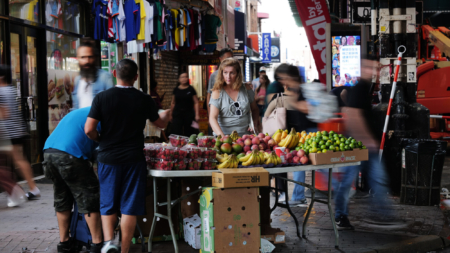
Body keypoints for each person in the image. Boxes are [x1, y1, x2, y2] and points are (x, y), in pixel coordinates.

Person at [85, 59, 171, 253]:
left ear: (115, 74)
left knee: (108, 202)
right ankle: (124, 250)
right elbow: (160, 124)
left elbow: (89, 129)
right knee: (129, 206)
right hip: (134, 158)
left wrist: (101, 140)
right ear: (136, 77)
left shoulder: (102, 97)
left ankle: (108, 245)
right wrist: (167, 115)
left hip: (108, 158)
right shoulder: (144, 99)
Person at [334, 60, 406, 230]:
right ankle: (341, 216)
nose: (373, 70)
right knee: (349, 182)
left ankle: (382, 216)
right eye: (369, 67)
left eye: (375, 67)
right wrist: (366, 140)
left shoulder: (364, 87)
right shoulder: (360, 88)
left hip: (364, 145)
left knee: (377, 180)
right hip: (361, 145)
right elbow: (353, 115)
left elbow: (348, 105)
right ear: (362, 68)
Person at [43, 107, 103, 253]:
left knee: (62, 198)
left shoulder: (83, 111)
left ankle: (64, 243)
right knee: (89, 196)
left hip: (49, 152)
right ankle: (97, 244)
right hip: (70, 154)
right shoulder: (106, 115)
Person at [273, 64, 317, 206]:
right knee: (301, 163)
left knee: (318, 165)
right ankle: (298, 196)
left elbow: (308, 108)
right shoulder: (292, 89)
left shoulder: (302, 88)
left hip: (310, 133)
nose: (281, 81)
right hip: (300, 133)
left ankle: (299, 196)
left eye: (281, 77)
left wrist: (294, 102)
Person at [0, 65, 40, 200]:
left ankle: (26, 189)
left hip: (8, 132)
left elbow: (4, 113)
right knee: (16, 161)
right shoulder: (10, 89)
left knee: (18, 161)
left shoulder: (1, 91)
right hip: (17, 129)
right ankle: (20, 189)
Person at [209, 58, 261, 137]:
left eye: (232, 73)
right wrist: (223, 138)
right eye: (225, 72)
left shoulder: (246, 88)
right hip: (224, 136)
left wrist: (254, 124)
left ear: (237, 74)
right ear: (221, 73)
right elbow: (212, 118)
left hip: (245, 137)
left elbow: (255, 109)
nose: (228, 76)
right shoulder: (217, 91)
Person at [72, 40, 114, 109]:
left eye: (90, 57)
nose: (87, 61)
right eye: (83, 57)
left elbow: (112, 106)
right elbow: (75, 107)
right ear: (77, 58)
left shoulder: (105, 77)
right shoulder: (77, 80)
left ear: (94, 58)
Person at [206, 48, 234, 135]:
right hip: (218, 114)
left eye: (231, 58)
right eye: (227, 58)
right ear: (220, 59)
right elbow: (209, 96)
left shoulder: (236, 74)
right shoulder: (214, 75)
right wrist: (210, 115)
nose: (230, 61)